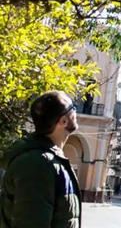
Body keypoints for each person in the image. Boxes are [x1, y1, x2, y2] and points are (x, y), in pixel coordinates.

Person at [0, 91, 81, 228]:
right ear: (63, 121)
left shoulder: (49, 160)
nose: (76, 111)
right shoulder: (38, 163)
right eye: (72, 108)